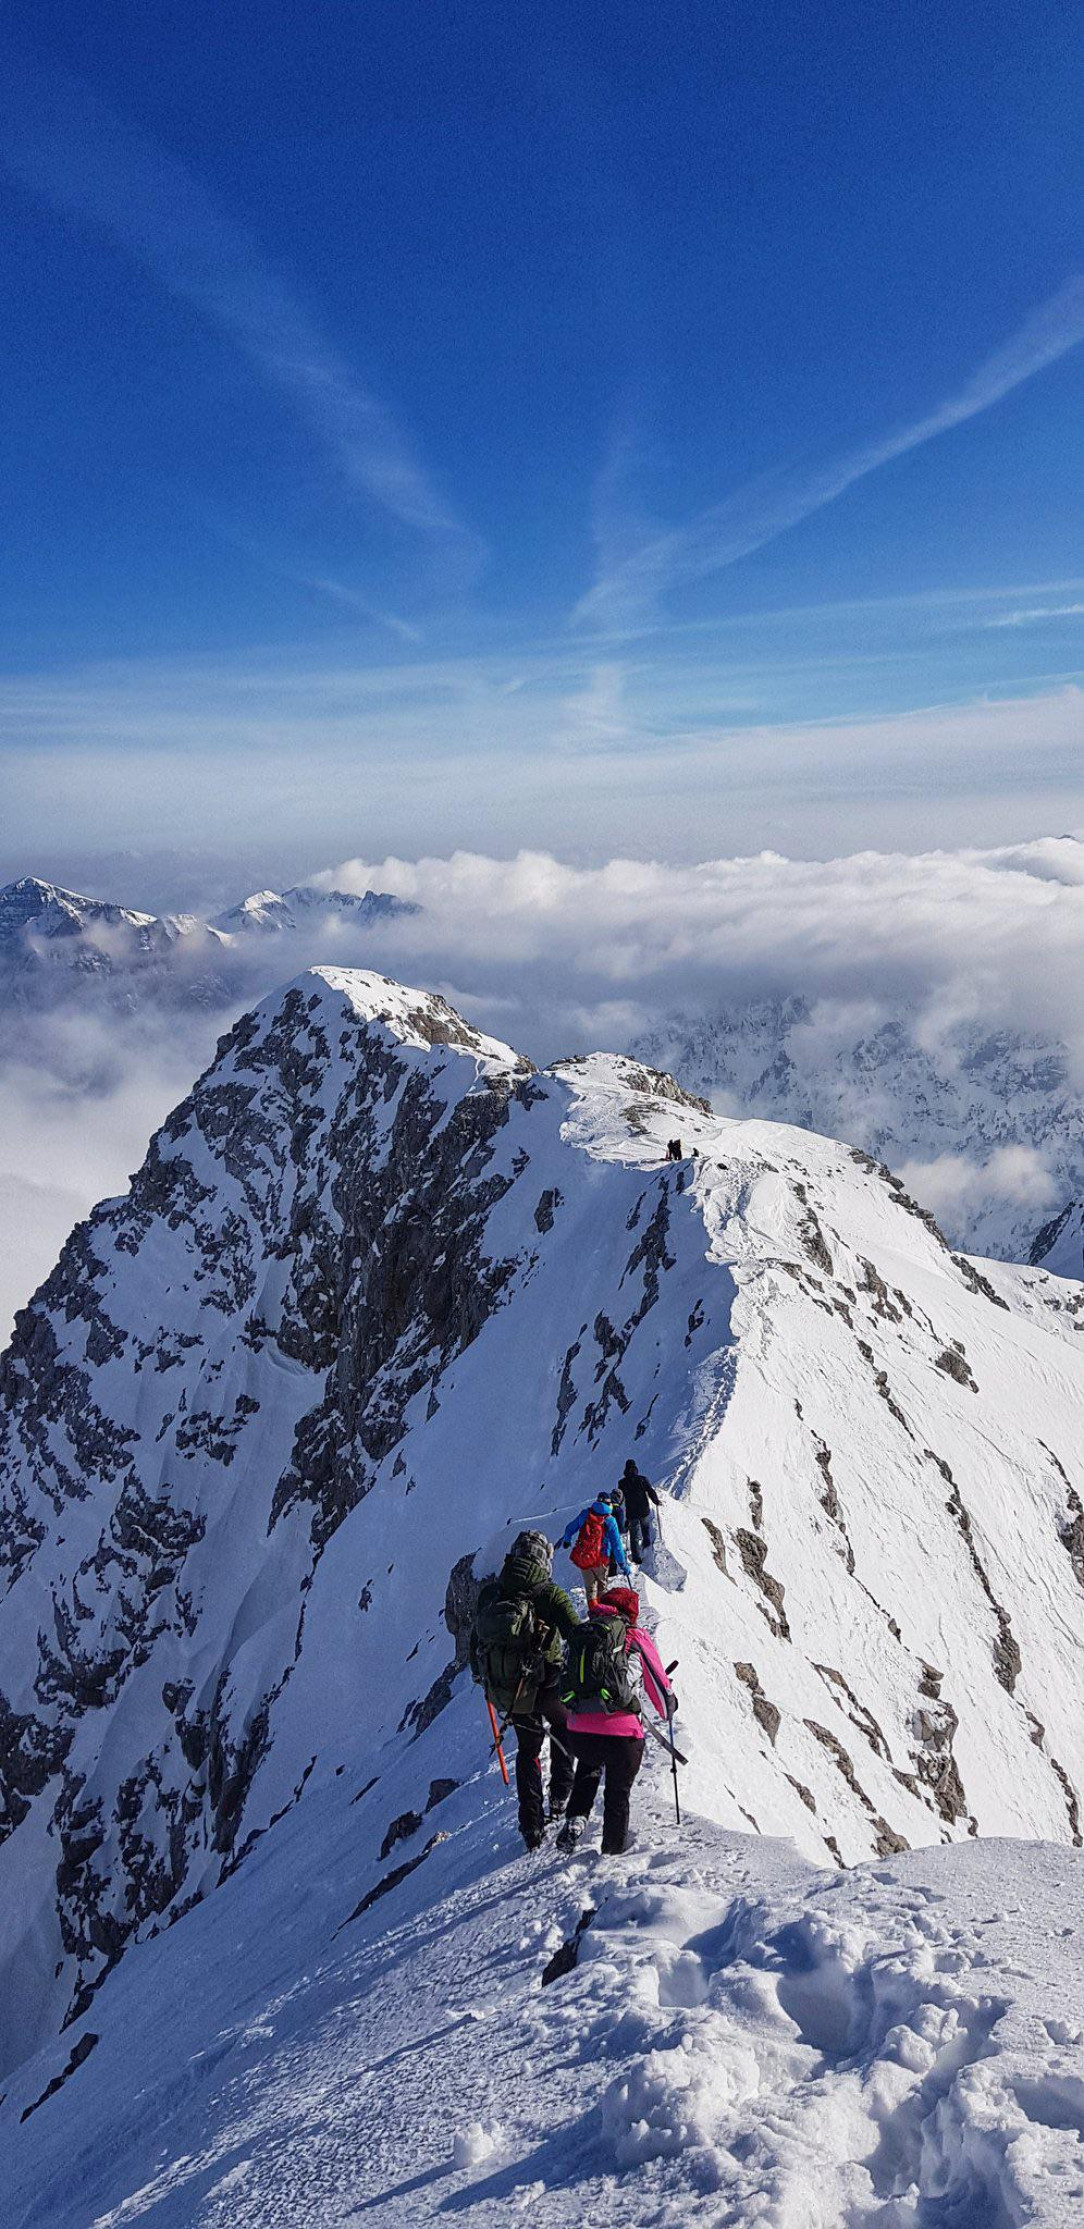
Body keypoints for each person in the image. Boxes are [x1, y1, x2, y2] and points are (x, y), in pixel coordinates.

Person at [470, 1531, 581, 1852]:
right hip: (549, 1682)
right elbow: (577, 1633)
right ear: (543, 1560)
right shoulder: (551, 1594)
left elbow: (475, 1643)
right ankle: (561, 1793)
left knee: (528, 1751)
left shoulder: (492, 1594)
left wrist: (485, 1679)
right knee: (564, 1726)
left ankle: (531, 1826)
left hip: (513, 1689)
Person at [556, 1586, 675, 1856]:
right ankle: (611, 1853)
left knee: (589, 1764)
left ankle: (575, 1818)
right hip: (622, 1736)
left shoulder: (582, 1634)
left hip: (579, 1733)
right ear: (632, 1614)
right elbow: (660, 1692)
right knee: (617, 1793)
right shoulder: (635, 1636)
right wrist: (669, 1706)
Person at [560, 1493, 631, 1604]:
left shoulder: (585, 1514)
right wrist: (623, 1565)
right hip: (601, 1560)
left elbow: (570, 1528)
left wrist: (567, 1540)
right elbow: (617, 1546)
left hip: (584, 1557)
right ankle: (602, 1616)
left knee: (590, 1590)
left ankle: (594, 1614)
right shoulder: (610, 1521)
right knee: (602, 1589)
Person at [618, 1458, 661, 1565]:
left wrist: (617, 1507)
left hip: (632, 1513)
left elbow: (620, 1498)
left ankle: (636, 1557)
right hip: (644, 1510)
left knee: (634, 1536)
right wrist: (656, 1501)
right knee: (645, 1529)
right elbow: (650, 1491)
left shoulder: (622, 1483)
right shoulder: (642, 1479)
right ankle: (647, 1546)